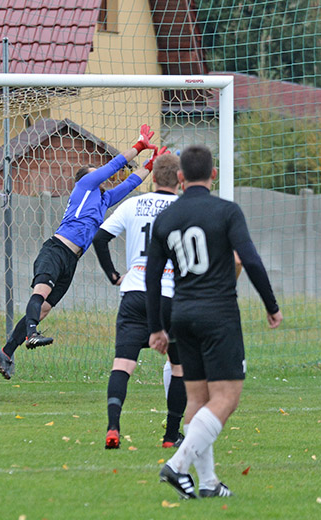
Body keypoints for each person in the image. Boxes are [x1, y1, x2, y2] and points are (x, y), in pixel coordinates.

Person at [145, 145, 283, 499]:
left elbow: (152, 276)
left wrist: (157, 327)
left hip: (182, 315)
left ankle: (207, 483)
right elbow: (249, 259)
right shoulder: (226, 211)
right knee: (226, 398)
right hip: (217, 314)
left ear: (180, 177)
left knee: (198, 399)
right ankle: (177, 465)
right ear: (214, 174)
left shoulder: (166, 219)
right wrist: (271, 304)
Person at [0, 124, 165, 379]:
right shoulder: (85, 185)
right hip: (56, 249)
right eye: (97, 173)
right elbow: (115, 166)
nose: (102, 177)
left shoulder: (103, 199)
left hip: (72, 260)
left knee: (44, 309)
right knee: (41, 292)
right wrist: (138, 146)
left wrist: (152, 164)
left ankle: (7, 351)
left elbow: (129, 183)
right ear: (87, 177)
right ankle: (30, 334)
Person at [92, 153, 186, 450]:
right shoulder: (185, 209)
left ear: (154, 177)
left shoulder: (133, 205)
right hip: (170, 296)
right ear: (180, 179)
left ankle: (113, 428)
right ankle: (171, 436)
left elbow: (100, 237)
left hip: (134, 293)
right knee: (179, 366)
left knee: (122, 365)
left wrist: (113, 275)